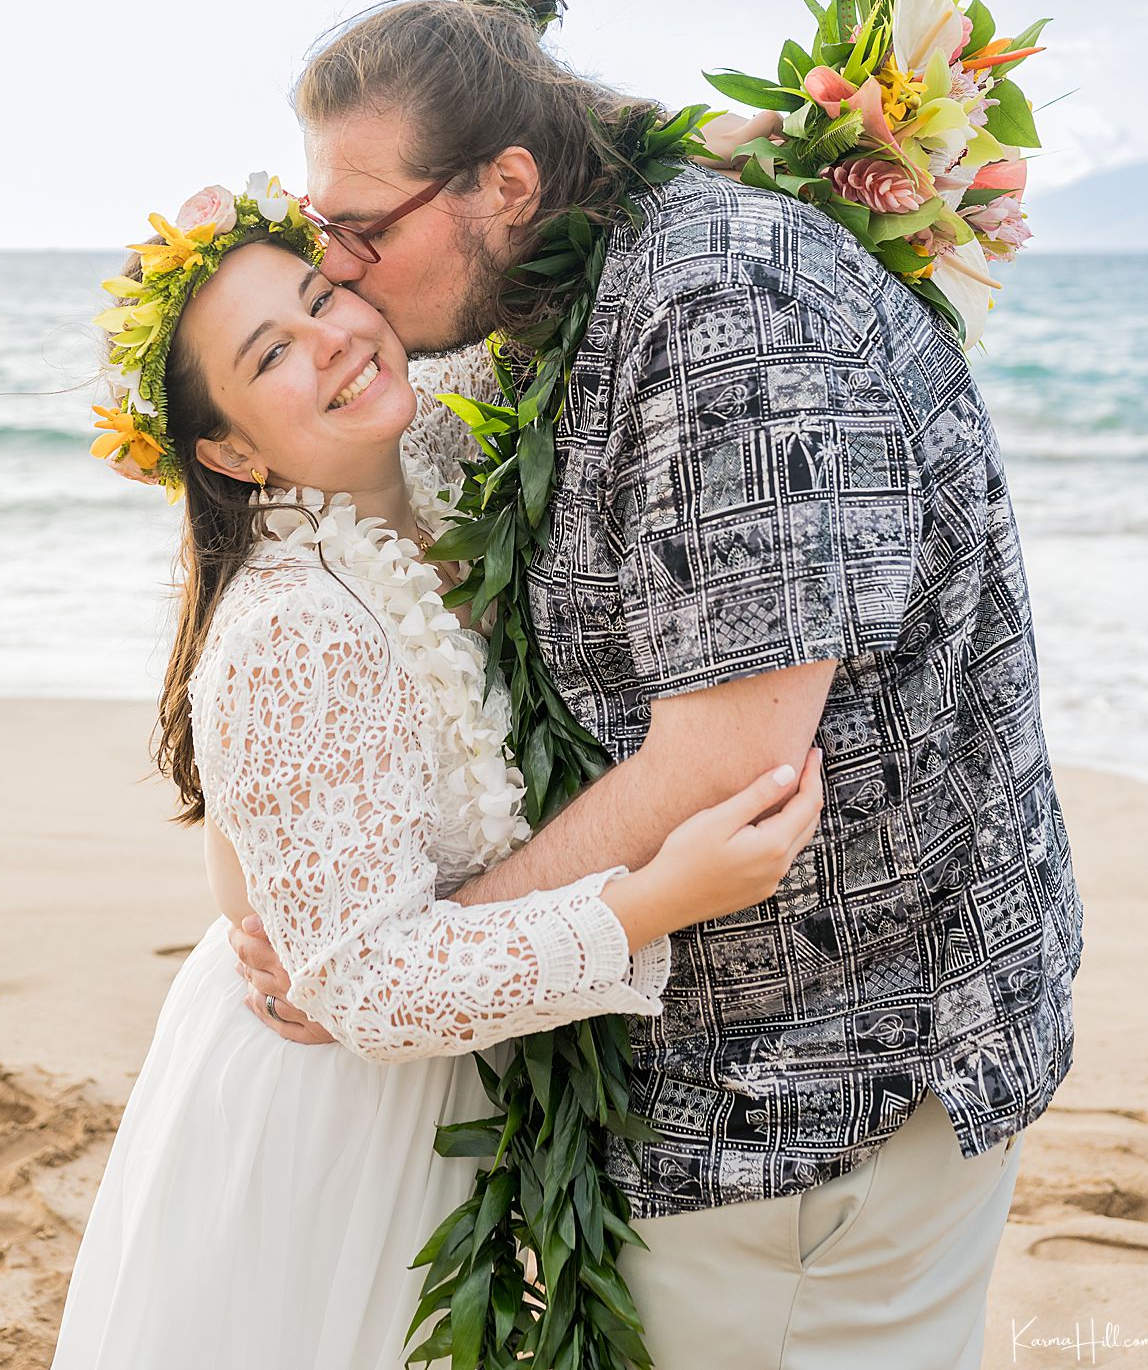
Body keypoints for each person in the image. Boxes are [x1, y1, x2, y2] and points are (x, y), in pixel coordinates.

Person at [233, 0, 1084, 1370]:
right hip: (685, 1088)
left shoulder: (733, 310)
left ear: (506, 182)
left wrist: (418, 959)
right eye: (320, 224)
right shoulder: (535, 305)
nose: (337, 268)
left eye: (361, 228)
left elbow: (732, 761)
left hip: (820, 1097)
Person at [54, 184, 823, 1369]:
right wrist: (664, 894)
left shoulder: (435, 463)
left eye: (322, 296)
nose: (334, 339)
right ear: (228, 448)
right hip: (330, 1119)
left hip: (435, 1097)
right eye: (274, 353)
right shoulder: (291, 622)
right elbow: (362, 985)